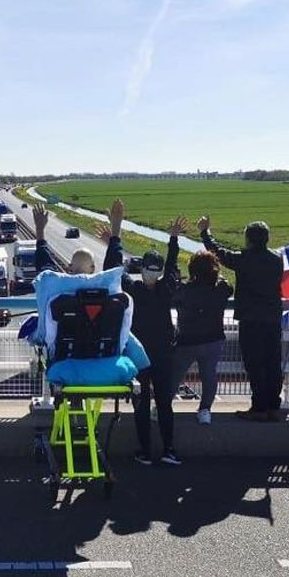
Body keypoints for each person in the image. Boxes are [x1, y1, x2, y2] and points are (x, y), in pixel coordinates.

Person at [96, 199, 186, 466]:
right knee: (165, 403)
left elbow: (113, 270)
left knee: (142, 403)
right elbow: (172, 269)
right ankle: (169, 449)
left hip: (138, 355)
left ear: (142, 269)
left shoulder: (132, 290)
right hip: (163, 355)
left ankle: (145, 451)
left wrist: (116, 233)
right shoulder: (166, 289)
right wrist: (172, 240)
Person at [198, 215, 285, 422]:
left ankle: (259, 408)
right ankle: (273, 406)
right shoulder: (276, 260)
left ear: (248, 239)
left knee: (255, 364)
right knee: (273, 363)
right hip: (272, 319)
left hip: (251, 320)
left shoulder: (244, 259)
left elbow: (217, 252)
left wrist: (204, 232)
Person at [170, 250, 234, 425]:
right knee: (209, 375)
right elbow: (228, 287)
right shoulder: (220, 289)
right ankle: (205, 410)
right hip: (213, 339)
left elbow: (173, 295)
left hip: (186, 340)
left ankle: (163, 407)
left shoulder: (183, 290)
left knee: (175, 376)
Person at [32, 202, 96, 274]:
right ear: (93, 269)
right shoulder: (105, 284)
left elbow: (46, 268)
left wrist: (40, 229)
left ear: (69, 267)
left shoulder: (58, 283)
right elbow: (110, 268)